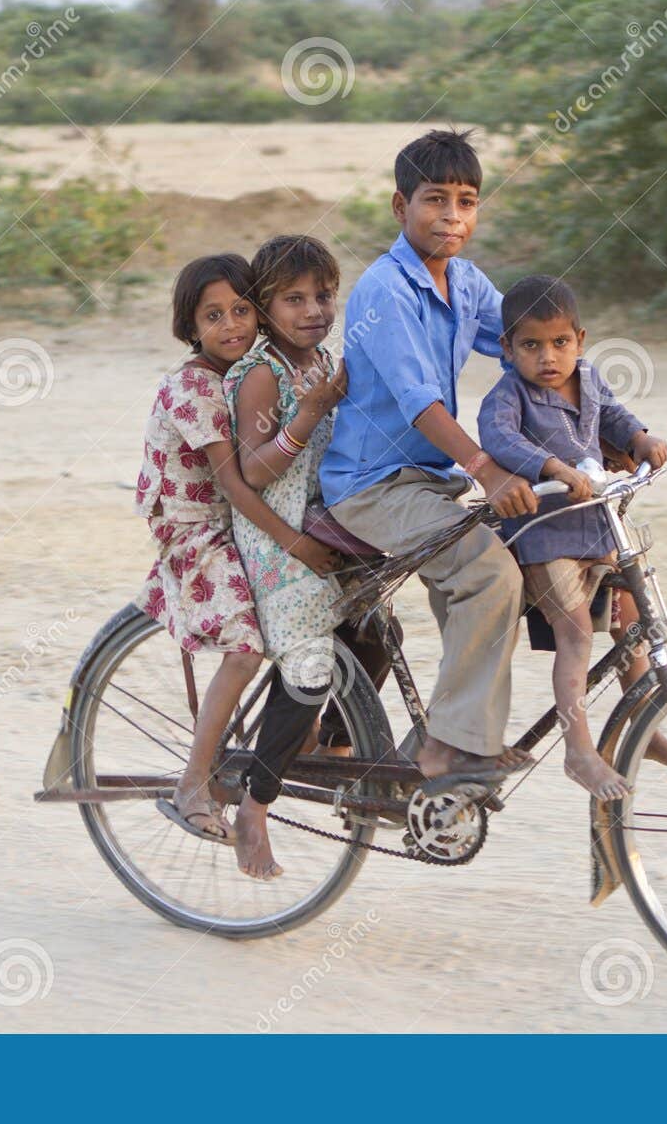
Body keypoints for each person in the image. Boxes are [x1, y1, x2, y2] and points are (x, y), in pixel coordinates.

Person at [321, 128, 536, 790]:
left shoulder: (465, 283)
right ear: (399, 207)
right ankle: (446, 749)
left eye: (466, 201)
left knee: (530, 556)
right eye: (434, 199)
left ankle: (443, 739)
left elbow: (530, 347)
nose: (452, 216)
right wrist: (488, 469)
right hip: (373, 486)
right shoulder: (385, 290)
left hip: (427, 481)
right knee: (489, 575)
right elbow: (419, 403)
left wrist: (608, 425)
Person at [135, 254, 341, 854]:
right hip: (195, 527)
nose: (232, 326)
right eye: (213, 316)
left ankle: (299, 734)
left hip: (240, 520)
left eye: (242, 310)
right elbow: (236, 483)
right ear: (190, 326)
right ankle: (192, 786)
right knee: (245, 650)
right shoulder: (193, 386)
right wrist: (296, 542)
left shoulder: (258, 369)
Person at [477, 274, 667, 798]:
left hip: (598, 523)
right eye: (531, 346)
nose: (548, 357)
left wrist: (640, 438)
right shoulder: (509, 395)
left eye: (560, 343)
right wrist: (550, 464)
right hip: (545, 535)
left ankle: (643, 722)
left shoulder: (590, 378)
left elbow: (614, 417)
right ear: (507, 349)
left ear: (580, 339)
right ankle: (578, 750)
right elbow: (497, 437)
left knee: (631, 617)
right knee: (575, 634)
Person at [222, 235, 354, 880]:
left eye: (324, 296)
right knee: (307, 663)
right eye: (293, 299)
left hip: (323, 525)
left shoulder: (323, 361)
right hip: (275, 536)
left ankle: (329, 742)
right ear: (264, 307)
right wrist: (304, 415)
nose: (313, 310)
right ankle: (254, 805)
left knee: (378, 632)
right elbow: (251, 468)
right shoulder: (262, 375)